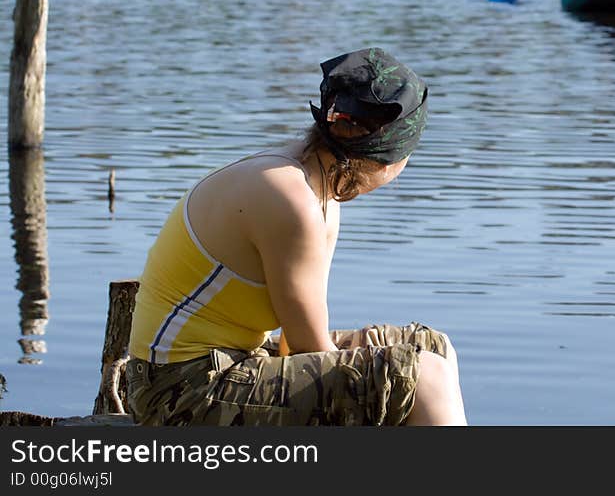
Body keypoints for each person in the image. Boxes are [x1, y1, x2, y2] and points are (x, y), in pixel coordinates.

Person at [126, 47, 468, 426]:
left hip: (226, 363)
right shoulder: (293, 201)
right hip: (178, 393)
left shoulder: (315, 183)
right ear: (391, 157)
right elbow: (310, 350)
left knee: (432, 349)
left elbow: (297, 342)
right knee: (421, 377)